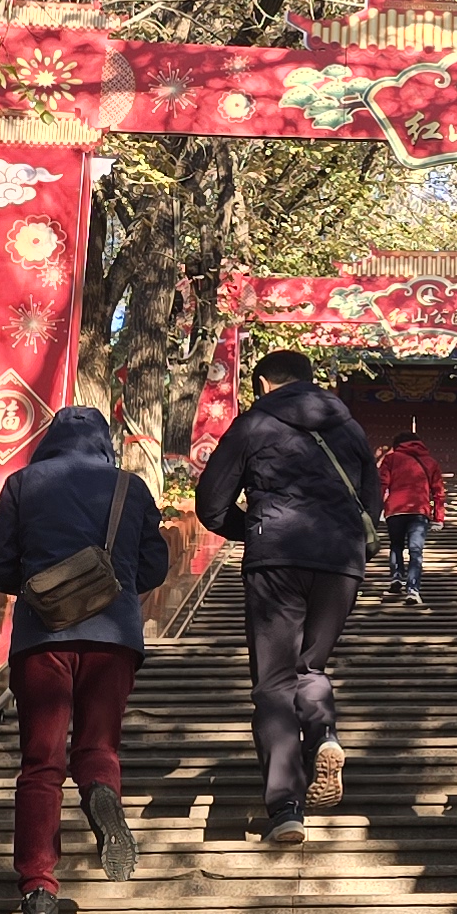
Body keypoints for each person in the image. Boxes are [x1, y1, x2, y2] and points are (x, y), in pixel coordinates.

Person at [0, 406, 171, 914]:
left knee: (41, 764)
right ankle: (101, 790)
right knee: (98, 746)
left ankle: (39, 889)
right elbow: (155, 566)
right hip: (113, 637)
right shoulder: (130, 487)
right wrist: (112, 583)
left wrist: (41, 580)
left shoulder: (23, 484)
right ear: (105, 441)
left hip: (42, 637)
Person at [194, 348, 380, 843]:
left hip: (276, 559)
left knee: (275, 682)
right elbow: (372, 502)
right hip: (340, 561)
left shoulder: (254, 423)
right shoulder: (349, 426)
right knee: (310, 667)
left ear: (261, 383)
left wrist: (256, 529)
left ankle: (285, 808)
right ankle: (323, 735)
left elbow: (211, 503)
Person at [377, 425, 446, 603]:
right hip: (419, 510)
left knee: (396, 546)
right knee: (416, 550)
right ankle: (413, 589)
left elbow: (382, 484)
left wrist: (377, 508)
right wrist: (438, 517)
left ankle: (396, 576)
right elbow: (438, 492)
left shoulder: (391, 459)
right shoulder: (430, 462)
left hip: (395, 510)